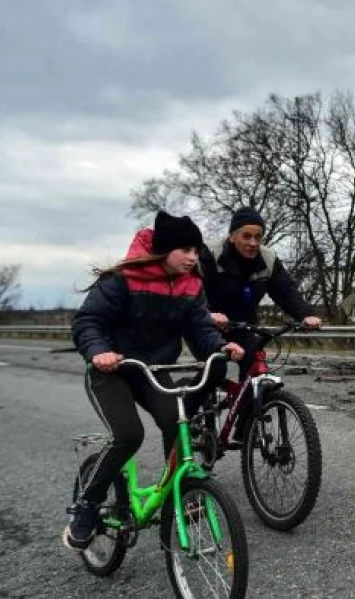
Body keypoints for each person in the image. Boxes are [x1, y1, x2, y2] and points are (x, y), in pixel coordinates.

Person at [64, 211, 245, 551]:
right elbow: (88, 321)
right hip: (111, 372)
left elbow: (200, 329)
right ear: (164, 250)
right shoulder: (123, 279)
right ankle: (86, 504)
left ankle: (178, 494)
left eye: (196, 250)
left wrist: (221, 347)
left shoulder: (192, 285)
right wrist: (99, 351)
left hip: (153, 372)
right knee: (128, 435)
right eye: (186, 250)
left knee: (176, 424)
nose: (193, 257)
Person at [199, 206, 323, 381]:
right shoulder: (211, 254)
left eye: (258, 237)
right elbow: (194, 291)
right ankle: (187, 407)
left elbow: (286, 291)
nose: (253, 243)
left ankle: (248, 406)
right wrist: (208, 314)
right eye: (246, 236)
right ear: (232, 236)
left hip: (241, 325)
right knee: (215, 369)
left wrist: (306, 315)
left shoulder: (268, 258)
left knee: (253, 364)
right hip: (206, 325)